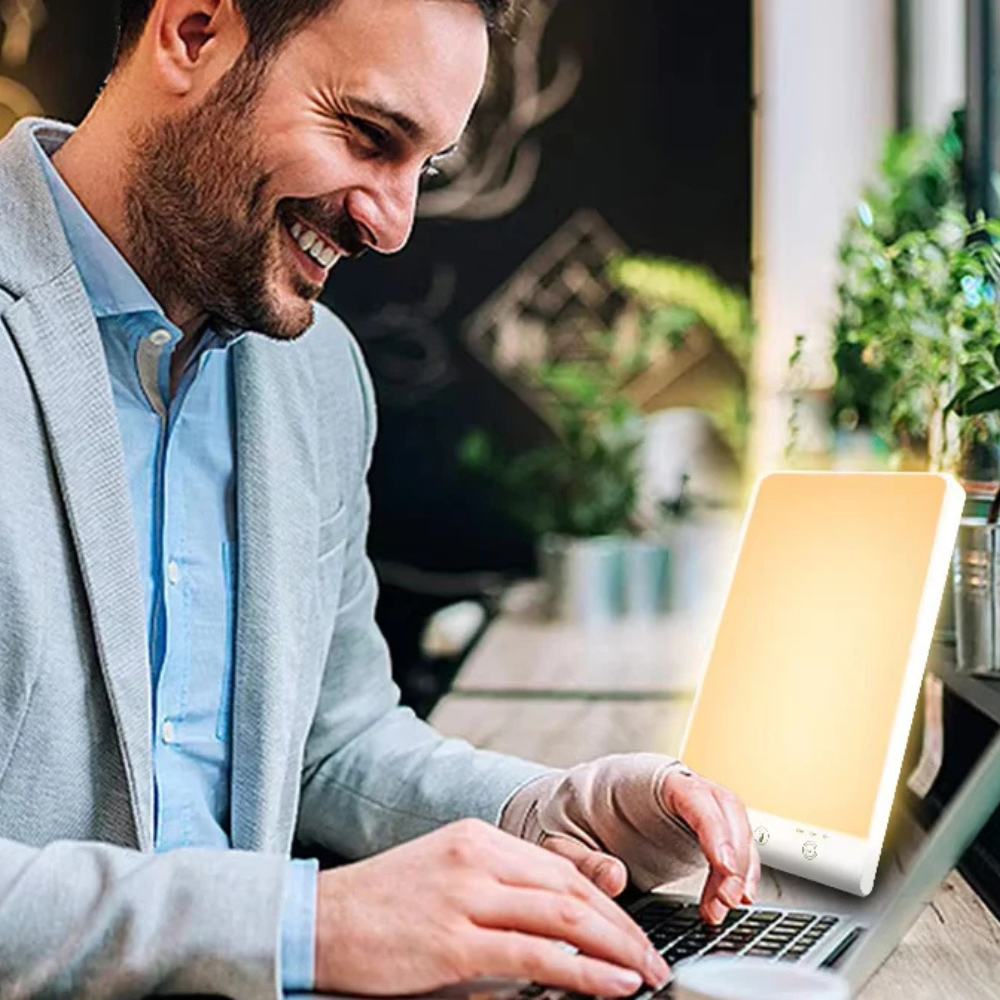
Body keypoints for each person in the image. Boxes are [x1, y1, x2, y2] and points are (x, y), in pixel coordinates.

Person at [0, 1, 758, 997]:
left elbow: (332, 744)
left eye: (425, 166)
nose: (392, 223)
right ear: (191, 34)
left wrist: (552, 811)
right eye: (367, 136)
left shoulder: (317, 376)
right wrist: (303, 924)